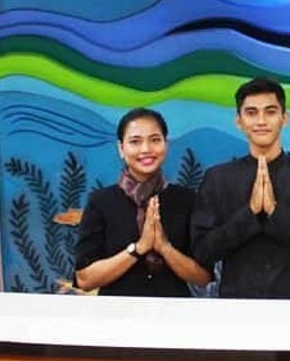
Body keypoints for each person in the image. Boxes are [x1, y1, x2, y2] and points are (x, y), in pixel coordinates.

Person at [191, 77, 290, 298]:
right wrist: (249, 213)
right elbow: (202, 251)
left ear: (284, 118)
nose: (261, 121)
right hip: (237, 306)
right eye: (251, 113)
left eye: (270, 112)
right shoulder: (217, 179)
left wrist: (275, 213)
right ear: (239, 121)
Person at [74, 108, 212, 295]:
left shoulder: (187, 200)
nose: (146, 149)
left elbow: (203, 277)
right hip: (116, 311)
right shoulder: (101, 202)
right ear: (121, 148)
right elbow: (85, 279)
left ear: (166, 144)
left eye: (154, 140)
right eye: (135, 141)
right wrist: (138, 249)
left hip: (173, 310)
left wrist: (165, 248)